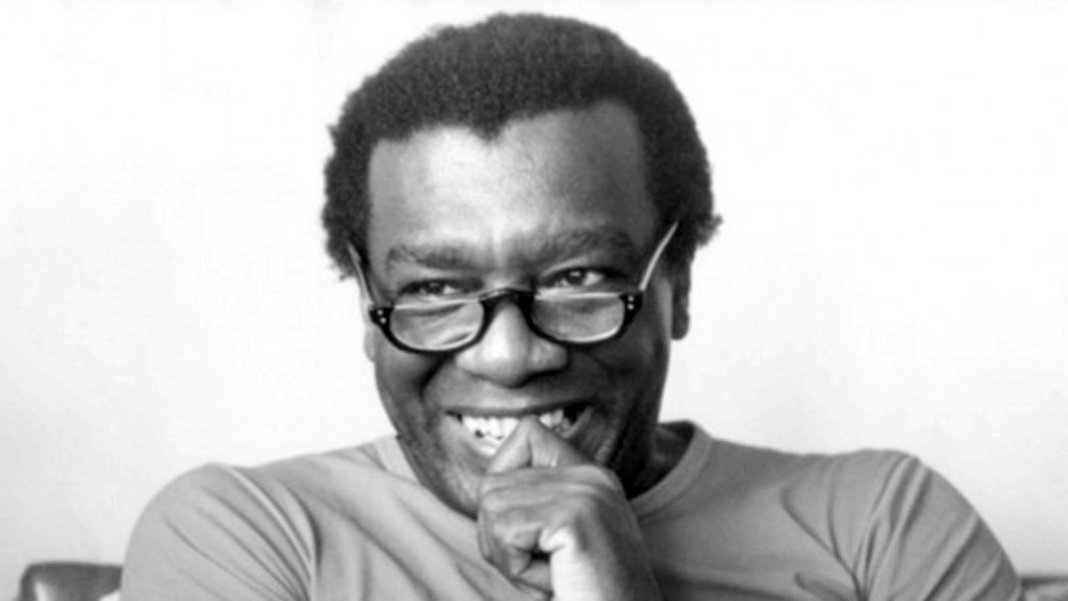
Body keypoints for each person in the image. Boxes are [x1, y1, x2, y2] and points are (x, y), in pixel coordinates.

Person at [122, 13, 1024, 600]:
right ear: (368, 306)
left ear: (677, 285)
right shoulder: (245, 536)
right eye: (434, 288)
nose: (509, 356)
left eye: (576, 277)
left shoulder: (880, 524)